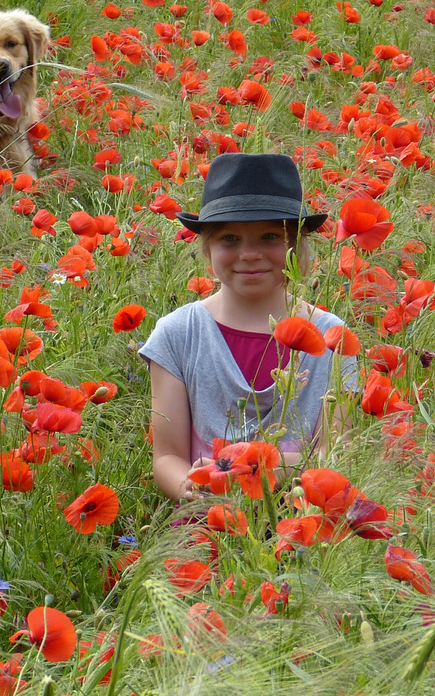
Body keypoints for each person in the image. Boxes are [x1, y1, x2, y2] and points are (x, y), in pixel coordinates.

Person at [138, 152, 358, 501]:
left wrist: (263, 468)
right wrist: (197, 491)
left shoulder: (332, 338)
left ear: (296, 245)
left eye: (270, 236)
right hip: (206, 522)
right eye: (229, 239)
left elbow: (336, 456)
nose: (249, 253)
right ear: (207, 248)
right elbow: (167, 457)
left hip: (303, 523)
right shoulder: (177, 333)